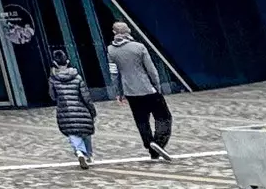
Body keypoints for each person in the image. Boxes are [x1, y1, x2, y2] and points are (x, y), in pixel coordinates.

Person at [106, 20, 173, 161]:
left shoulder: (111, 50)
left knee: (141, 120)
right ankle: (158, 142)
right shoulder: (139, 47)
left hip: (130, 92)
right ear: (128, 31)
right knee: (163, 117)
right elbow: (151, 69)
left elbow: (114, 74)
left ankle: (150, 145)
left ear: (114, 33)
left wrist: (118, 92)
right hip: (148, 89)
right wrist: (157, 85)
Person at [48, 48, 96, 168]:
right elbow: (86, 96)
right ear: (68, 61)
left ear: (55, 63)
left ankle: (79, 152)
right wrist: (92, 111)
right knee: (86, 133)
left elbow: (53, 96)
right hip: (81, 109)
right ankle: (89, 155)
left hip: (65, 111)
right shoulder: (77, 77)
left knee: (72, 134)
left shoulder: (53, 79)